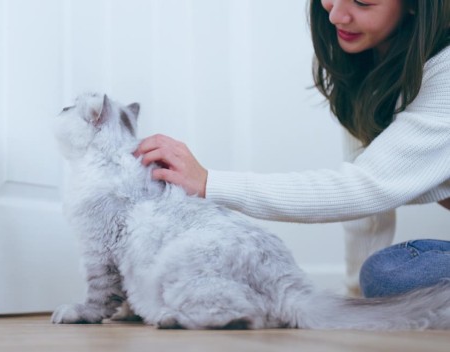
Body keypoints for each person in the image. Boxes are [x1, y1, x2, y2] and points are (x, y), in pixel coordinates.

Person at [134, 0, 450, 298]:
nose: (336, 15)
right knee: (382, 276)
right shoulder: (366, 61)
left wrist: (209, 183)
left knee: (387, 275)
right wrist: (355, 299)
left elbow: (363, 187)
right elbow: (366, 208)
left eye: (363, 2)